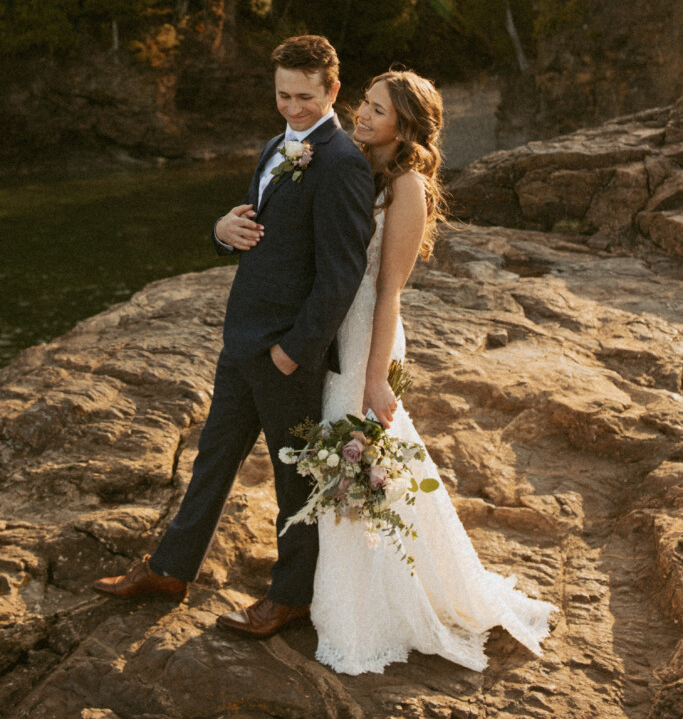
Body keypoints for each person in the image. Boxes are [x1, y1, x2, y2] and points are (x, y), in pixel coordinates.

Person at [92, 35, 376, 638]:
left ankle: (291, 596)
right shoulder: (276, 146)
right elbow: (254, 226)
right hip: (242, 340)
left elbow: (341, 276)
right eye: (282, 95)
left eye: (304, 97)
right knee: (213, 459)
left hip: (285, 354)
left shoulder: (343, 163)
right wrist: (222, 232)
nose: (292, 107)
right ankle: (171, 569)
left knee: (293, 476)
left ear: (333, 91)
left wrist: (293, 352)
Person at [310, 69, 556, 674]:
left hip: (368, 336)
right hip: (334, 329)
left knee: (360, 454)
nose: (362, 114)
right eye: (365, 103)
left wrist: (375, 378)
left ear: (404, 127)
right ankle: (340, 583)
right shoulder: (356, 165)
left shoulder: (408, 186)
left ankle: (373, 606)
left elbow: (389, 290)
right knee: (340, 455)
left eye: (378, 110)